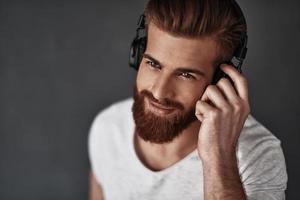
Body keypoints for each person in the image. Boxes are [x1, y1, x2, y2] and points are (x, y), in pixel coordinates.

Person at [88, 0, 287, 199]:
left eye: (186, 75)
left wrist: (218, 158)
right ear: (138, 55)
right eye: (153, 64)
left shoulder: (258, 155)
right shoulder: (108, 127)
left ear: (221, 81)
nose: (159, 92)